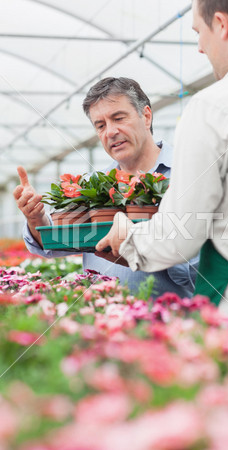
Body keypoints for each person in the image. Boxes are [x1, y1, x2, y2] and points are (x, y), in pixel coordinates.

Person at [97, 0, 228, 344]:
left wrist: (129, 239)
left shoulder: (215, 106)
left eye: (198, 32)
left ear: (221, 24)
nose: (200, 46)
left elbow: (180, 237)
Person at [14, 77, 198, 298]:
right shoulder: (93, 186)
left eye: (118, 118)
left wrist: (143, 249)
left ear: (146, 116)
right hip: (101, 323)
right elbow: (55, 242)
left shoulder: (189, 174)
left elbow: (205, 271)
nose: (110, 132)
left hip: (165, 325)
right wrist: (37, 219)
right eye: (100, 125)